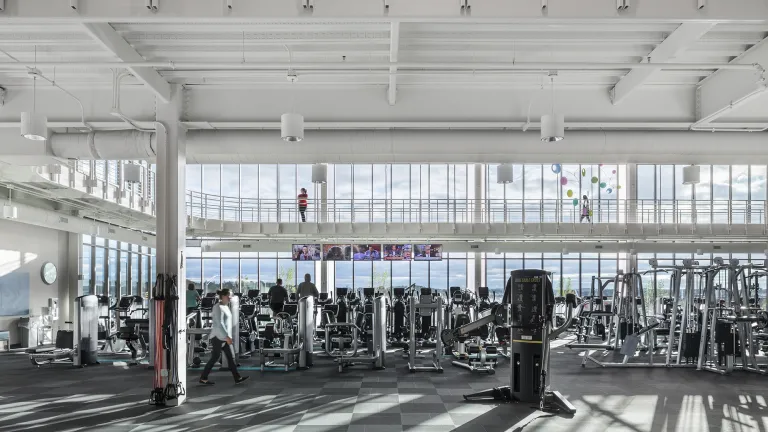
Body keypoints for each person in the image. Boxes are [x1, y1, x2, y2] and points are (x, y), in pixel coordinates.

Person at [199, 289, 249, 386]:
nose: (230, 298)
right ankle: (203, 377)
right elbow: (219, 323)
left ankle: (237, 377)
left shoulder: (225, 307)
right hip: (218, 337)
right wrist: (227, 337)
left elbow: (227, 323)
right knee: (215, 358)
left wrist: (228, 336)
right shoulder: (217, 307)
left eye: (230, 296)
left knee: (230, 358)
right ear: (223, 297)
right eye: (228, 296)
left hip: (224, 337)